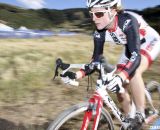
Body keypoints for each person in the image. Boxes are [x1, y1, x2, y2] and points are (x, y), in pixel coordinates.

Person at [61, 0, 160, 129]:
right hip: (130, 46)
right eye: (91, 14)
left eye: (99, 14)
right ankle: (130, 120)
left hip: (149, 42)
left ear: (113, 10)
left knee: (133, 73)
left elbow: (135, 56)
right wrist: (76, 75)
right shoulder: (99, 31)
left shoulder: (127, 21)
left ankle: (140, 115)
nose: (94, 19)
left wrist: (122, 76)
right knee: (118, 84)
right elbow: (95, 61)